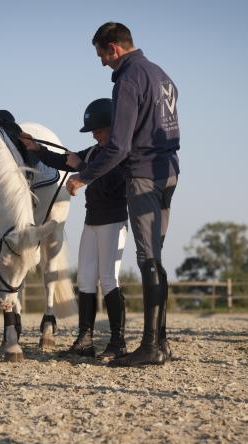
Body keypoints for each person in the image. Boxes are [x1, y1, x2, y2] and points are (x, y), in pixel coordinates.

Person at [66, 22, 180, 367]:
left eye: (101, 54)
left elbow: (118, 146)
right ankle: (161, 342)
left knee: (147, 259)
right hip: (169, 170)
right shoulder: (162, 75)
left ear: (114, 48)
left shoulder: (129, 79)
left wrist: (83, 177)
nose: (102, 62)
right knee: (155, 259)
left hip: (144, 174)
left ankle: (149, 347)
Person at [20, 98, 128, 360]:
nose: (95, 135)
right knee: (86, 279)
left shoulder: (122, 154)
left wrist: (82, 170)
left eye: (100, 130)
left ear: (114, 127)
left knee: (109, 280)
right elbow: (63, 160)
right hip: (92, 222)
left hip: (113, 221)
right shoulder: (93, 152)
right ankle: (84, 340)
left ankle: (117, 342)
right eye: (94, 131)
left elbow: (110, 182)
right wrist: (35, 148)